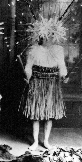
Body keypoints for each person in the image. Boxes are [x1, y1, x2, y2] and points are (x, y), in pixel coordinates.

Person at [23, 16, 69, 151]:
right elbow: (28, 67)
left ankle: (46, 141)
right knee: (36, 114)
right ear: (40, 35)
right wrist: (27, 76)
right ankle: (35, 141)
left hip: (52, 84)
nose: (48, 37)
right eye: (45, 35)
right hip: (36, 83)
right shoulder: (33, 50)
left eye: (50, 35)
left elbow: (62, 67)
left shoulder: (58, 50)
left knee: (49, 114)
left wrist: (64, 76)